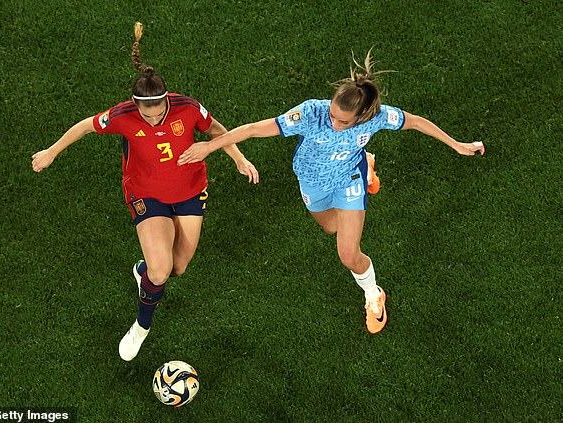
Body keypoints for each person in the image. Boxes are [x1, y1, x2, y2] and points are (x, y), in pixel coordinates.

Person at [178, 51, 485, 334]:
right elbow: (256, 128)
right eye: (334, 114)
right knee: (330, 227)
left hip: (348, 180)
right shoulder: (312, 113)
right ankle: (369, 160)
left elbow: (416, 122)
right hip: (312, 183)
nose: (335, 123)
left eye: (344, 121)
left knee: (348, 253)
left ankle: (373, 293)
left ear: (363, 115)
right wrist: (209, 145)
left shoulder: (378, 116)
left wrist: (458, 145)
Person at [31, 22, 259, 360]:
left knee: (177, 268)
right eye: (145, 114)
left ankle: (143, 273)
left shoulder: (187, 108)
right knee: (161, 270)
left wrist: (237, 157)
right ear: (136, 105)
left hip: (190, 192)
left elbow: (216, 129)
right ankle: (141, 326)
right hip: (145, 196)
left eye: (157, 113)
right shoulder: (123, 115)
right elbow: (85, 126)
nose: (152, 120)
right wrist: (52, 151)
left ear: (166, 100)